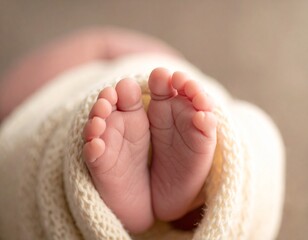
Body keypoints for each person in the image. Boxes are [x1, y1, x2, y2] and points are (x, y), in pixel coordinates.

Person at [0, 27, 285, 240]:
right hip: (156, 81)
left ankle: (156, 199)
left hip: (115, 99)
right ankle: (191, 200)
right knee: (250, 144)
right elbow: (103, 44)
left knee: (30, 158)